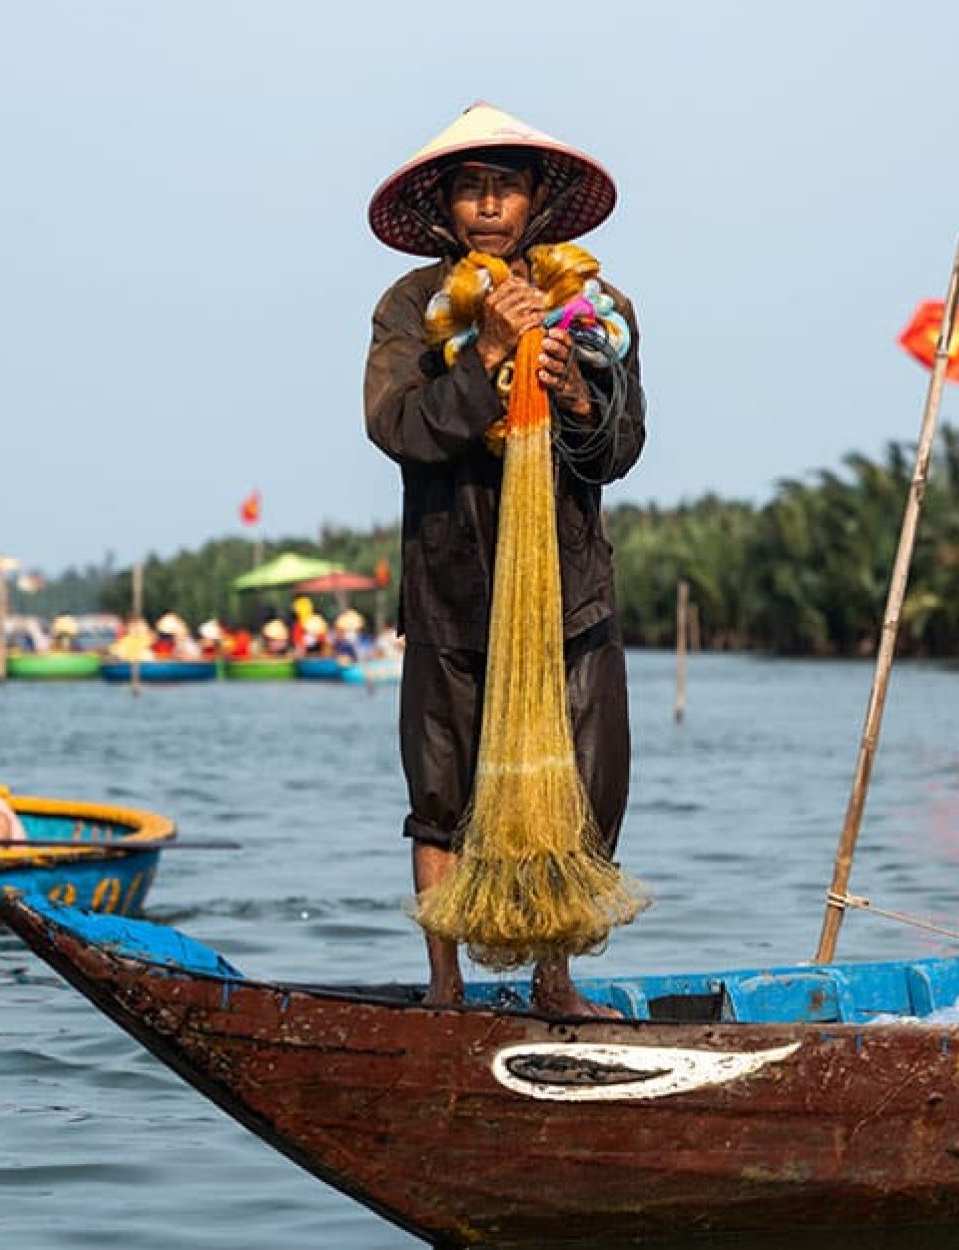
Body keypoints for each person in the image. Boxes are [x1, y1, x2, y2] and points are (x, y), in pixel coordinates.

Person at [364, 102, 645, 1014]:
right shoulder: (413, 308)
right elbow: (399, 427)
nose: (489, 205)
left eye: (506, 188)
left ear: (535, 205)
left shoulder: (593, 306)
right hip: (451, 592)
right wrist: (487, 354)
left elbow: (621, 446)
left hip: (569, 592)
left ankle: (554, 984)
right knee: (441, 795)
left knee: (584, 789)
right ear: (445, 210)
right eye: (471, 189)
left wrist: (573, 396)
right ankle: (444, 990)